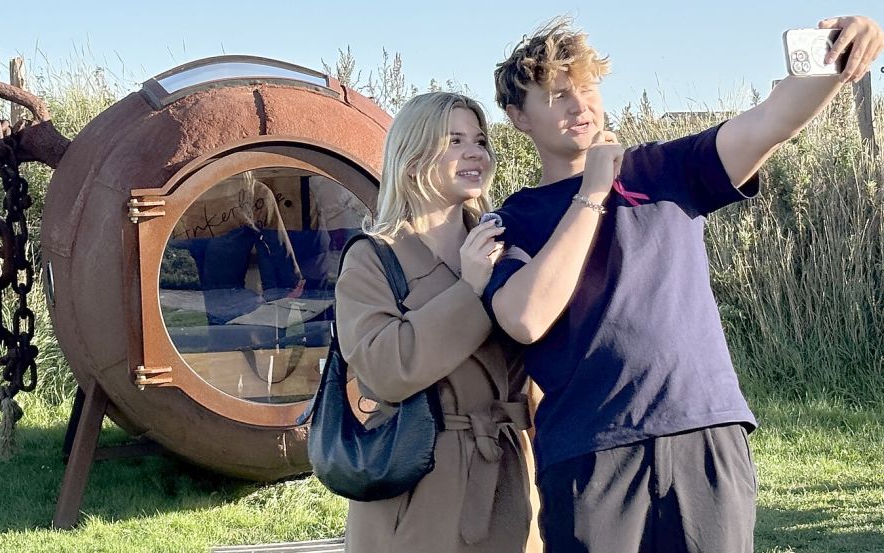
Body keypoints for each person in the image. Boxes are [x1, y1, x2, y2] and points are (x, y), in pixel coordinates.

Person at [485, 15, 883, 553]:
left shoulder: (662, 168)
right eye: (557, 95)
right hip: (590, 450)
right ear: (517, 116)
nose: (579, 106)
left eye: (585, 89)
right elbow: (526, 319)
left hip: (704, 430)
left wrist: (837, 55)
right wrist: (594, 192)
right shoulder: (515, 219)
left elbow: (771, 121)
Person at [336, 91, 535, 552]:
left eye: (480, 140)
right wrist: (469, 291)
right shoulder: (374, 257)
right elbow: (385, 369)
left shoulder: (507, 245)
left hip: (506, 468)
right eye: (454, 140)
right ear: (412, 159)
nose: (475, 152)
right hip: (418, 481)